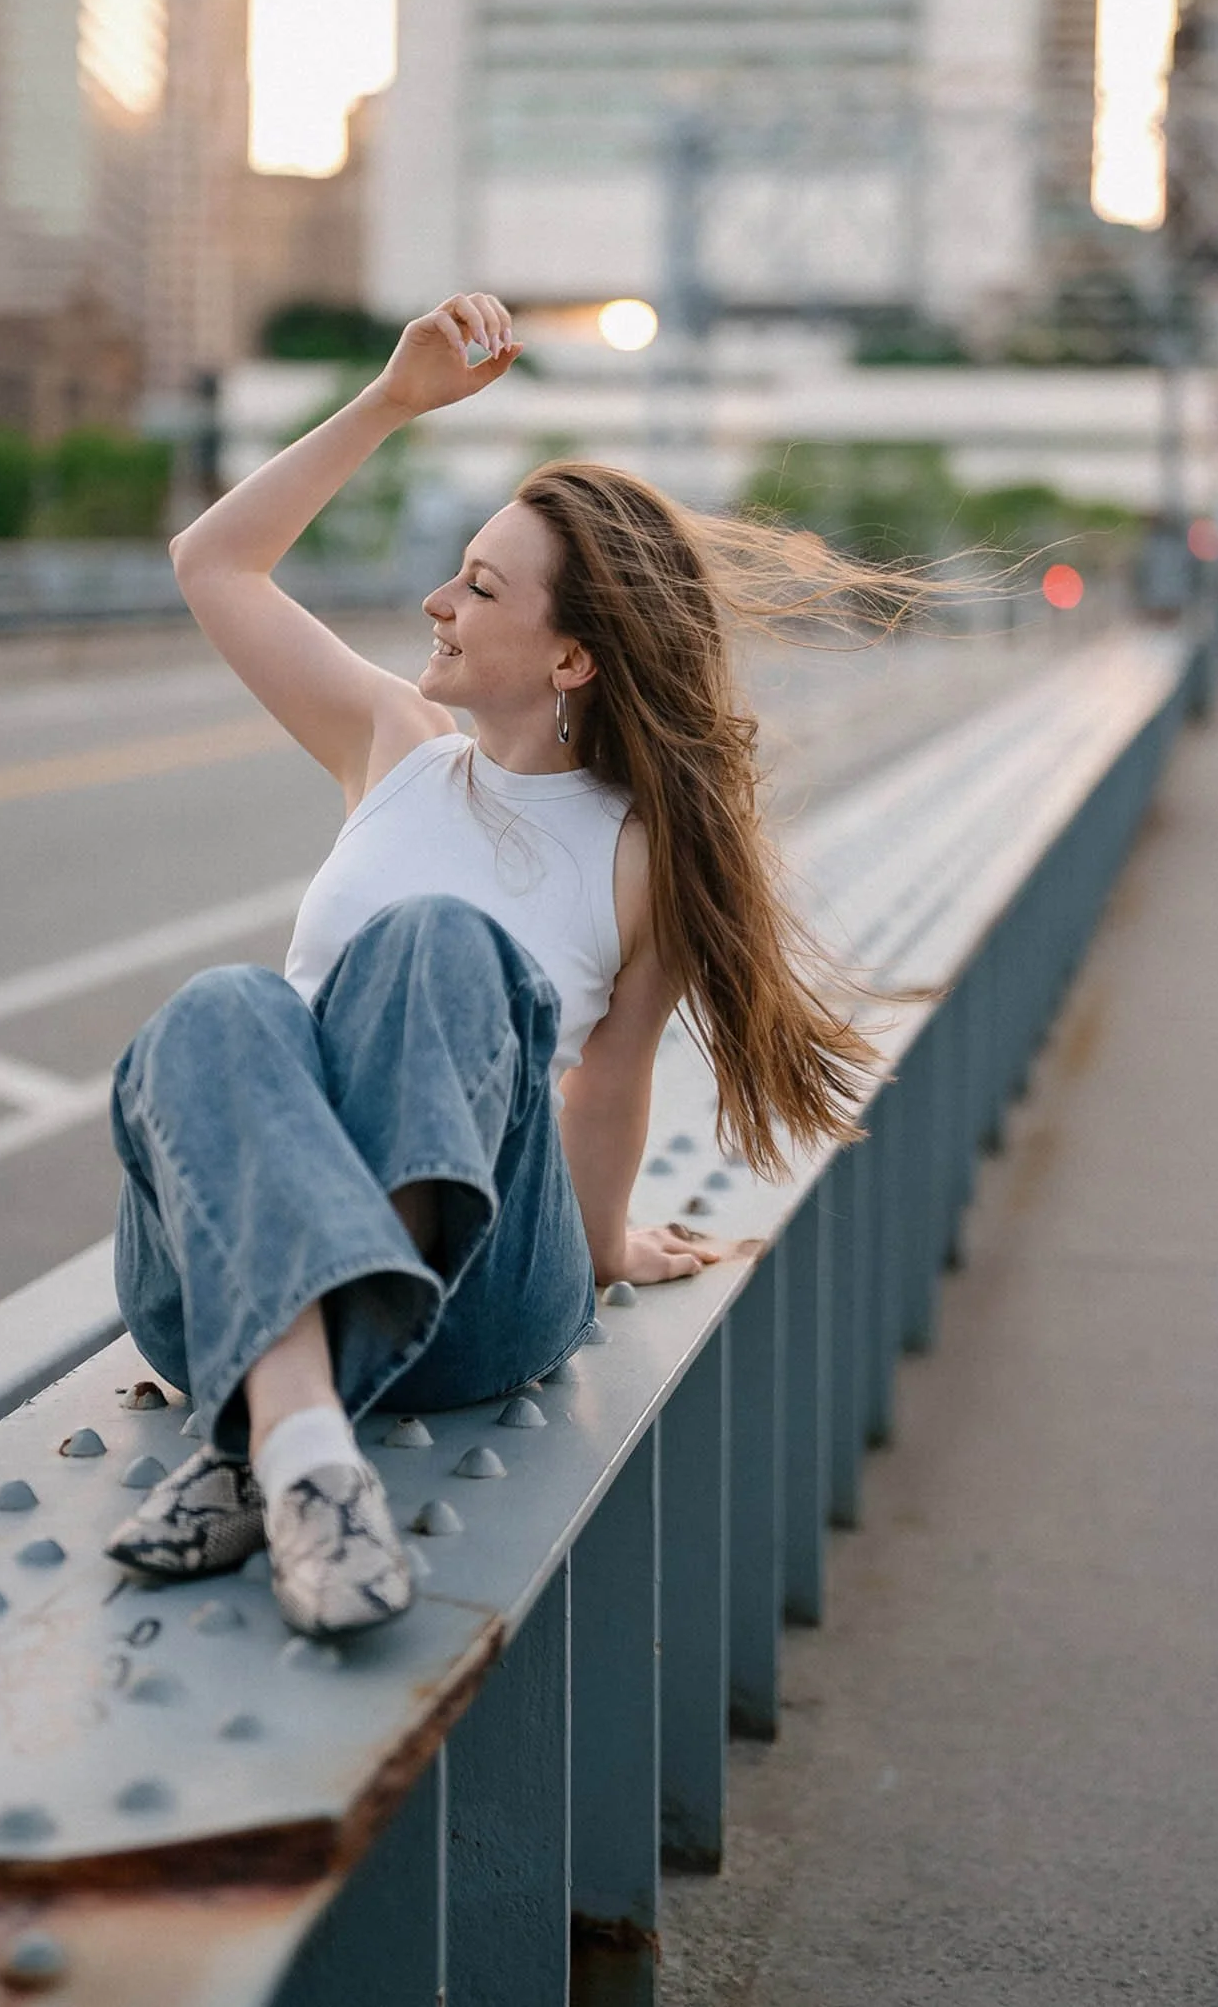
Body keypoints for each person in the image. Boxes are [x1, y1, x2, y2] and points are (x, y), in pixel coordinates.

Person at [102, 293, 887, 1639]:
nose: (435, 602)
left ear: (572, 655)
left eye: (477, 586)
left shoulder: (639, 853)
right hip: (211, 1295)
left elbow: (609, 1081)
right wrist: (393, 401)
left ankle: (269, 1433)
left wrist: (599, 1248)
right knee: (222, 1004)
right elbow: (215, 565)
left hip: (467, 1306)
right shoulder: (390, 746)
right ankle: (301, 1451)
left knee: (434, 946)